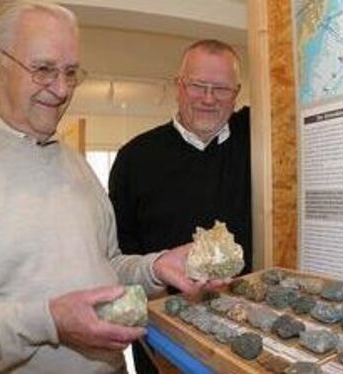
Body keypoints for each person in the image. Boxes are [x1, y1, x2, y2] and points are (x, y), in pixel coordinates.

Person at [0, 2, 217, 373]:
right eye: (44, 70)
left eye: (70, 72)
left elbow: (107, 266)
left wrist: (156, 268)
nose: (62, 89)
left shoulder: (76, 164)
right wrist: (48, 321)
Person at [108, 39, 252, 374]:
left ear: (237, 93)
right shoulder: (134, 158)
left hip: (246, 335)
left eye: (220, 88)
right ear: (178, 86)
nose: (207, 98)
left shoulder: (259, 142)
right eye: (197, 85)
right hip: (164, 338)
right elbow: (118, 255)